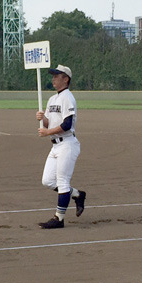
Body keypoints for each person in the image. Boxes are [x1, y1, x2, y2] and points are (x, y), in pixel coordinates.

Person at [36, 64, 86, 229]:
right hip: (56, 146)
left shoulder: (68, 98)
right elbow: (50, 122)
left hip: (67, 144)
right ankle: (78, 195)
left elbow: (67, 124)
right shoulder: (52, 99)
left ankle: (59, 218)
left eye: (57, 76)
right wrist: (42, 118)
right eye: (53, 76)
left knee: (63, 182)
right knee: (48, 181)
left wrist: (47, 131)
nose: (53, 79)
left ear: (66, 79)